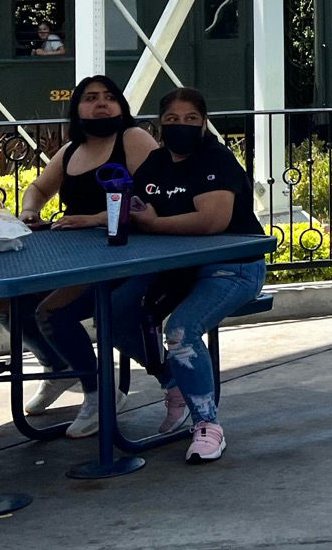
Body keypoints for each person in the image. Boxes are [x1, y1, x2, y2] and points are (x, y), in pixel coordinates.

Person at [108, 88, 268, 463]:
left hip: (234, 265)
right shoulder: (155, 163)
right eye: (173, 119)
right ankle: (174, 381)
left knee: (180, 329)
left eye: (191, 119)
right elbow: (137, 207)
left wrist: (156, 223)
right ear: (161, 124)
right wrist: (97, 217)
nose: (182, 126)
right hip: (174, 267)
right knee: (113, 313)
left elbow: (212, 220)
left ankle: (207, 426)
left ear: (203, 122)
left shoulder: (218, 159)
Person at [15, 75, 158, 437]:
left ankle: (99, 393)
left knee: (52, 310)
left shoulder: (133, 140)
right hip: (75, 258)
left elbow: (153, 198)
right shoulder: (70, 151)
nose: (102, 104)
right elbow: (38, 187)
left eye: (110, 97)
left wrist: (94, 219)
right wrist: (29, 211)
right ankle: (59, 367)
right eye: (91, 97)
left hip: (127, 258)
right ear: (76, 108)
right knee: (6, 300)